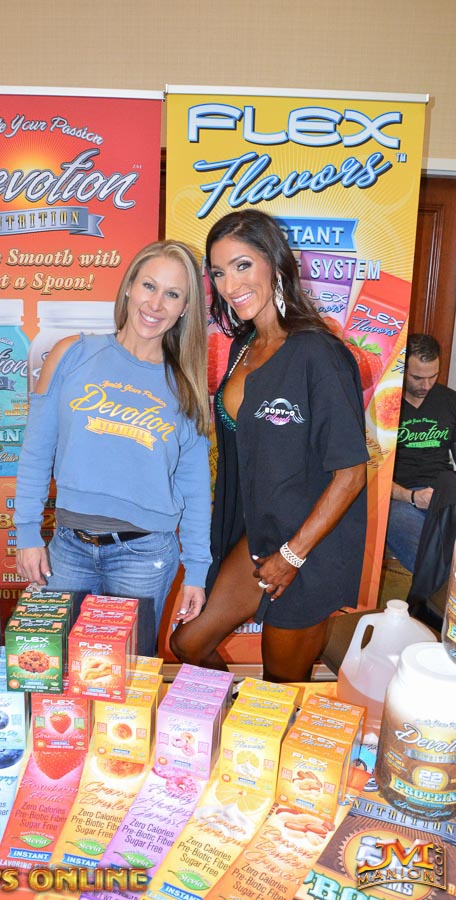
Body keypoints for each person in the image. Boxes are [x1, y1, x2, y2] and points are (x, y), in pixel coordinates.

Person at [169, 210, 368, 683]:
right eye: (219, 272)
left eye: (242, 265)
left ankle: (270, 726)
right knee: (188, 643)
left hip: (311, 546)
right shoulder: (243, 346)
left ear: (275, 263)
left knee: (280, 685)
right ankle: (236, 711)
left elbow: (351, 473)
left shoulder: (319, 353)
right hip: (260, 534)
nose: (229, 284)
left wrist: (293, 556)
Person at [14, 240, 212, 656]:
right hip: (67, 549)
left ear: (184, 309)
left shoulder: (187, 386)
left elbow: (196, 490)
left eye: (172, 294)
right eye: (149, 286)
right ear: (129, 287)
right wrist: (28, 532)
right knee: (57, 668)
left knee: (126, 678)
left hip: (145, 557)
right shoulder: (71, 354)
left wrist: (196, 570)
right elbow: (36, 451)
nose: (155, 304)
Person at [386, 333, 456, 573]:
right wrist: (412, 496)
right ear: (402, 369)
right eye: (417, 377)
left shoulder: (450, 401)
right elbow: (372, 476)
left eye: (432, 376)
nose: (426, 386)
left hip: (445, 492)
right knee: (424, 555)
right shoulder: (384, 404)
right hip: (400, 498)